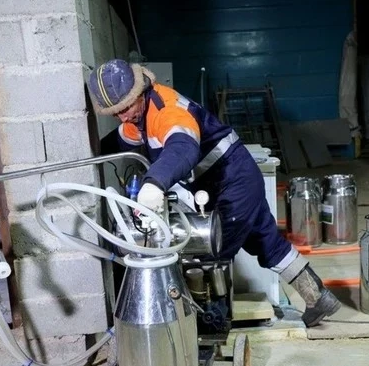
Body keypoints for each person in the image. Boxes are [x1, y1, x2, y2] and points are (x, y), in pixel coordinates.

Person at [86, 58, 341, 327]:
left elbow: (183, 147)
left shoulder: (167, 110)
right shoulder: (138, 117)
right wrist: (86, 154)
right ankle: (318, 298)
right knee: (268, 244)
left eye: (126, 108)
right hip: (236, 177)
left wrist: (154, 183)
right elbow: (118, 141)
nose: (124, 117)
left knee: (208, 252)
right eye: (116, 113)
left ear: (140, 91)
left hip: (232, 181)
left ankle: (211, 323)